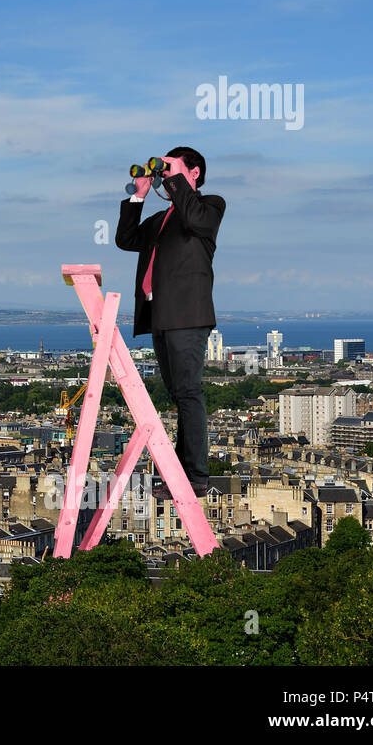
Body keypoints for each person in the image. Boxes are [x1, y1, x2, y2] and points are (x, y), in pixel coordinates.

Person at [115, 146, 225, 499]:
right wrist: (139, 196)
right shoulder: (161, 221)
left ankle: (196, 476)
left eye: (173, 168)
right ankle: (181, 473)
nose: (165, 173)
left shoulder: (211, 207)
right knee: (180, 396)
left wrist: (172, 175)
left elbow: (195, 219)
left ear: (193, 173)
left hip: (188, 316)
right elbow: (126, 239)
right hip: (161, 316)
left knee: (190, 393)